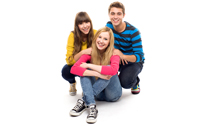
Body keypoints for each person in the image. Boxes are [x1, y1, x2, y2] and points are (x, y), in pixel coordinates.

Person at [69, 27, 122, 124]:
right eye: (100, 37)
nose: (101, 41)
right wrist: (96, 73)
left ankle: (84, 100)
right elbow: (74, 69)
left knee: (108, 69)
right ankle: (91, 106)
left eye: (105, 39)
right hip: (97, 95)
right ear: (95, 38)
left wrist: (89, 65)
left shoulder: (114, 53)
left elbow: (114, 70)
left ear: (110, 42)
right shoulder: (89, 53)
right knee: (83, 70)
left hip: (112, 95)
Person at [106, 1, 145, 94]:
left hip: (133, 61)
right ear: (109, 15)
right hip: (117, 58)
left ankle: (135, 81)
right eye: (113, 13)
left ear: (123, 15)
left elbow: (139, 56)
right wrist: (115, 52)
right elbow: (106, 43)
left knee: (125, 83)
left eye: (119, 14)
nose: (115, 17)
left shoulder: (133, 32)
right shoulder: (109, 26)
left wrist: (123, 56)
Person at [61, 12, 97, 96]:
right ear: (77, 25)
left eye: (87, 22)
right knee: (65, 71)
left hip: (90, 65)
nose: (85, 26)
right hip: (77, 65)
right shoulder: (72, 36)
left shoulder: (96, 33)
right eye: (81, 23)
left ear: (90, 23)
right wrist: (83, 52)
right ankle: (72, 83)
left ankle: (87, 87)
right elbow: (69, 61)